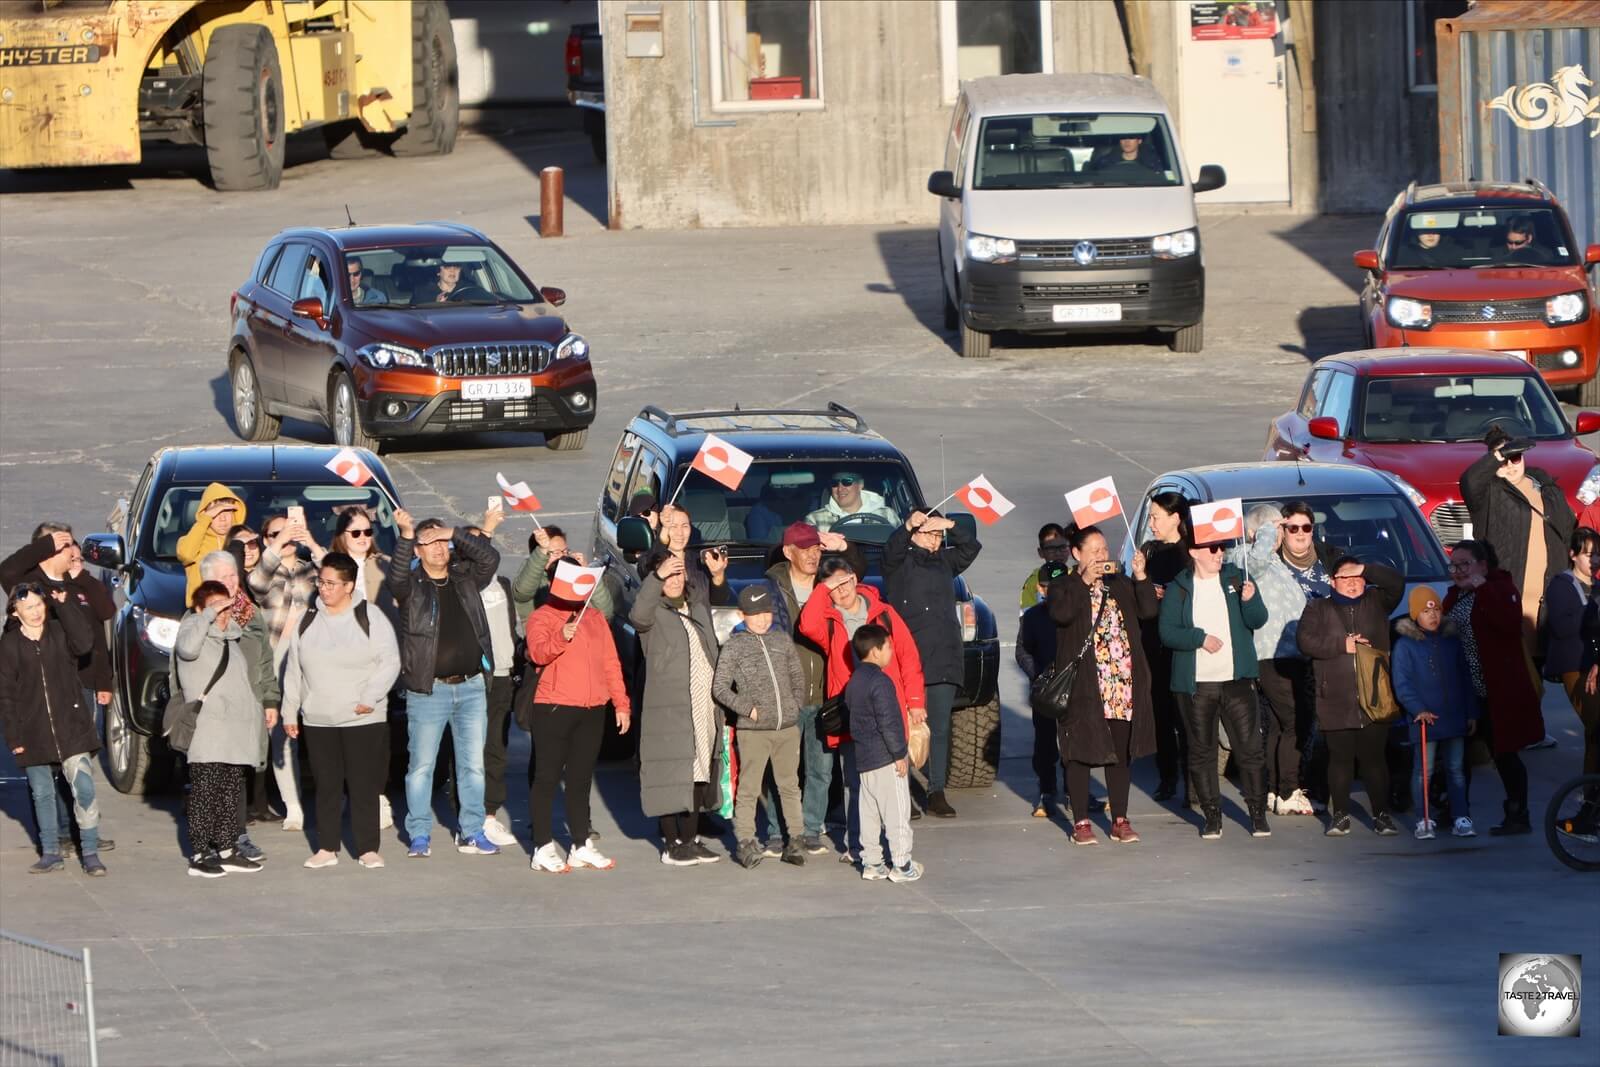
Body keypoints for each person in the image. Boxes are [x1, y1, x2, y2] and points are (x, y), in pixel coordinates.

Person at [387, 509, 503, 859]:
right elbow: (395, 575)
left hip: (470, 687)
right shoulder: (410, 587)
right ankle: (419, 833)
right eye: (430, 542)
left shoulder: (465, 577)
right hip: (429, 689)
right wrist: (408, 535)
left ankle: (471, 831)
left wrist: (453, 530)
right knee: (421, 766)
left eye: (443, 541)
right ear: (418, 551)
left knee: (472, 765)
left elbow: (490, 557)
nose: (439, 547)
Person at [798, 553, 926, 862]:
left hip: (888, 711)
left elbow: (908, 657)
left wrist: (915, 702)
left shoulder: (884, 614)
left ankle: (897, 849)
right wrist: (822, 588)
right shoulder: (828, 620)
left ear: (856, 578)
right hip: (852, 714)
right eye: (834, 587)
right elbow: (806, 624)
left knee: (895, 781)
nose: (841, 591)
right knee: (855, 783)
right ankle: (858, 847)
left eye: (845, 581)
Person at [1, 524, 118, 852]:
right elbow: (6, 569)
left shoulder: (73, 583)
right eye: (65, 544)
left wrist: (103, 680)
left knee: (77, 768)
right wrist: (45, 546)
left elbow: (99, 623)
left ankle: (82, 833)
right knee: (45, 773)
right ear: (47, 550)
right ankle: (57, 835)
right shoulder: (29, 586)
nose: (72, 550)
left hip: (80, 684)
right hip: (40, 691)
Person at [280, 553, 401, 869]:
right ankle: (327, 848)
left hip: (363, 717)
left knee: (363, 785)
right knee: (327, 786)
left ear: (349, 585)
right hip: (319, 718)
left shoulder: (370, 617)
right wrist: (290, 712)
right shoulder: (307, 620)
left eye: (331, 583)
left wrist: (370, 697)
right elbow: (294, 670)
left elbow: (390, 662)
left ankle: (367, 848)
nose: (324, 588)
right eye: (321, 582)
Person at [1048, 526, 1157, 845]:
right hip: (1083, 684)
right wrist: (1084, 582)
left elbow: (1149, 611)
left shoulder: (1119, 584)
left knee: (1120, 753)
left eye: (1104, 549)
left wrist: (1140, 577)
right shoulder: (1062, 585)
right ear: (1076, 554)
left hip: (1120, 682)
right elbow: (1062, 615)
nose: (1100, 556)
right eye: (1093, 550)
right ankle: (1081, 821)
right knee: (1079, 752)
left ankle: (1120, 819)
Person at [523, 554, 632, 873]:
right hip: (554, 707)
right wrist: (561, 636)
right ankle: (542, 846)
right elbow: (538, 653)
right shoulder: (541, 617)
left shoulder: (595, 617)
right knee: (546, 778)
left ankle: (581, 844)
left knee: (581, 779)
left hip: (592, 709)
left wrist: (621, 703)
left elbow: (611, 663)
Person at [1161, 533, 1270, 839]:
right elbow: (1167, 632)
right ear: (1194, 552)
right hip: (1196, 685)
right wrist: (1199, 639)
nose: (1219, 553)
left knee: (1249, 749)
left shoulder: (1236, 580)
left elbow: (1258, 620)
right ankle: (1212, 815)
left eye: (1221, 547)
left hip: (1236, 681)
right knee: (1201, 751)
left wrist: (1251, 600)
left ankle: (1257, 813)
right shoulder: (1179, 588)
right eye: (1212, 548)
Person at [1296, 555, 1406, 837]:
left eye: (1359, 577)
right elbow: (1305, 641)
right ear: (1333, 582)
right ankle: (1340, 815)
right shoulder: (1317, 607)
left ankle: (1382, 815)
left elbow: (1396, 583)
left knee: (1374, 760)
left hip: (1375, 695)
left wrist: (1367, 567)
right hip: (1335, 696)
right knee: (1340, 759)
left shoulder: (1376, 602)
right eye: (1346, 577)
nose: (1354, 583)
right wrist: (1341, 645)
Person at [0, 583, 106, 876]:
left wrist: (64, 606)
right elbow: (5, 694)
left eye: (39, 605)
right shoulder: (9, 645)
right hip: (32, 731)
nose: (36, 612)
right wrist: (14, 735)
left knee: (84, 787)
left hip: (72, 727)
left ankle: (91, 852)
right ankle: (50, 852)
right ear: (15, 611)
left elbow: (84, 643)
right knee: (42, 794)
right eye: (28, 608)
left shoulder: (59, 632)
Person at [630, 546, 726, 866]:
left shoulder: (696, 607)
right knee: (670, 773)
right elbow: (637, 615)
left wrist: (713, 575)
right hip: (670, 708)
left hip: (704, 705)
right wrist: (658, 576)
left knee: (699, 771)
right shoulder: (653, 612)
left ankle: (690, 838)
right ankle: (671, 844)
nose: (674, 578)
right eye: (668, 573)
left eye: (678, 572)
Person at [883, 508, 982, 819]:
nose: (936, 540)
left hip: (942, 656)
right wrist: (908, 526)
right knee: (904, 727)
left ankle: (936, 790)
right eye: (930, 533)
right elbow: (891, 551)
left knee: (938, 727)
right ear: (915, 534)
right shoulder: (900, 561)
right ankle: (902, 790)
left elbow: (971, 548)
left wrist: (950, 524)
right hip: (908, 656)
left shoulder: (945, 561)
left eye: (939, 536)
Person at [1443, 540, 1544, 835]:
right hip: (1466, 691)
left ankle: (1517, 813)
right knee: (1458, 754)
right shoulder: (1454, 596)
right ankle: (1457, 811)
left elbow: (1509, 625)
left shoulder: (1501, 589)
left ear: (1483, 566)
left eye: (1465, 564)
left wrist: (1483, 589)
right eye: (1454, 565)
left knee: (1504, 753)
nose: (1459, 571)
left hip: (1498, 690)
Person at [175, 581, 274, 877]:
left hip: (235, 730)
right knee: (206, 791)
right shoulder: (192, 631)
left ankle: (228, 848)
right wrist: (206, 615)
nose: (222, 613)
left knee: (231, 791)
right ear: (199, 608)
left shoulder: (233, 638)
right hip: (208, 729)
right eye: (215, 607)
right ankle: (200, 853)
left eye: (225, 607)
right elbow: (187, 649)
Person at [1225, 505, 1313, 816]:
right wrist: (1263, 530)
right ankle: (1289, 789)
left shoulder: (1274, 561)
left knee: (1280, 724)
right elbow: (1256, 563)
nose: (1279, 535)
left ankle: (1277, 789)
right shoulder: (1243, 556)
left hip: (1292, 654)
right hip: (1271, 655)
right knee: (1294, 721)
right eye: (1276, 529)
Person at [714, 585, 809, 868]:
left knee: (790, 786)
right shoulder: (734, 645)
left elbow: (796, 675)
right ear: (743, 615)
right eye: (755, 614)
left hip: (787, 728)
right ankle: (746, 842)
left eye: (766, 612)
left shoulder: (782, 640)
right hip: (753, 731)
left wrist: (795, 706)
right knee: (750, 788)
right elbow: (720, 688)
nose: (762, 619)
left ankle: (796, 839)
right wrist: (749, 710)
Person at [198, 550, 280, 862]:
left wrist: (270, 699)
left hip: (249, 704)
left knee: (239, 770)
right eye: (223, 577)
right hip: (214, 707)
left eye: (234, 575)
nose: (231, 582)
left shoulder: (250, 612)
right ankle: (209, 840)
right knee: (212, 773)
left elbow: (265, 659)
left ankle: (237, 834)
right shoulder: (198, 615)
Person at [1460, 428, 1575, 650]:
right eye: (1503, 460)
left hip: (1549, 599)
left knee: (1546, 675)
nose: (1510, 465)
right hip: (1509, 599)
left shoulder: (1547, 489)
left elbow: (1568, 531)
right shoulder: (1488, 492)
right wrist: (1499, 455)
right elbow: (1470, 482)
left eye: (1515, 457)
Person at [248, 510, 323, 834]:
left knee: (326, 730)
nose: (287, 534)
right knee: (282, 734)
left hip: (316, 658)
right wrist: (280, 540)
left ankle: (337, 795)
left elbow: (340, 574)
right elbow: (256, 577)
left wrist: (310, 541)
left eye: (291, 528)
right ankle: (293, 806)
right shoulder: (266, 576)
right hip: (278, 658)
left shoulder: (311, 571)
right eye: (276, 533)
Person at [760, 521, 832, 853]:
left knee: (820, 769)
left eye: (817, 548)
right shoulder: (771, 588)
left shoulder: (829, 585)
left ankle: (812, 828)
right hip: (786, 696)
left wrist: (841, 547)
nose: (814, 555)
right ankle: (777, 832)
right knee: (782, 771)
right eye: (806, 549)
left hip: (824, 694)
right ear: (789, 552)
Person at [1393, 586, 1479, 840]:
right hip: (1425, 721)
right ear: (1414, 615)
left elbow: (1465, 678)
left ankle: (1461, 817)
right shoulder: (1405, 646)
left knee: (1455, 769)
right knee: (1424, 771)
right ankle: (1423, 818)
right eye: (1425, 611)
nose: (1432, 616)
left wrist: (1471, 712)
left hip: (1454, 717)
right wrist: (1418, 709)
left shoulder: (1452, 642)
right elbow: (1402, 682)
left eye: (1436, 610)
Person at [457, 512, 520, 848]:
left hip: (503, 675)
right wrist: (488, 529)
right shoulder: (465, 584)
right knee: (476, 748)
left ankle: (487, 815)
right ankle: (476, 818)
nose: (482, 547)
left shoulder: (503, 583)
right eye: (474, 543)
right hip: (476, 676)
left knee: (497, 747)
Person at [845, 624, 923, 883]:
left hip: (864, 759)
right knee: (897, 813)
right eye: (888, 646)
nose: (891, 651)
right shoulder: (881, 681)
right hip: (886, 758)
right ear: (876, 651)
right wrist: (899, 754)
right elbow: (889, 722)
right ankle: (902, 865)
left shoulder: (855, 681)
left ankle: (872, 862)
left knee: (869, 813)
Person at [1140, 491, 1189, 802]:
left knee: (1188, 717)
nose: (1152, 524)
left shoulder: (1190, 553)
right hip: (1154, 645)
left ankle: (1193, 782)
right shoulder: (1148, 552)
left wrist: (1169, 594)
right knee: (1161, 715)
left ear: (1175, 518)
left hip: (1183, 646)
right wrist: (1141, 579)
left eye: (1156, 517)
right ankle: (1167, 777)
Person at [1017, 560, 1069, 817]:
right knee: (1045, 743)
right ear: (1041, 587)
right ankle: (1047, 790)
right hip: (1045, 690)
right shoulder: (1033, 616)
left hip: (1074, 686)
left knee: (1075, 742)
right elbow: (1022, 651)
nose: (1056, 591)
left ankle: (1075, 790)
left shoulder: (1079, 611)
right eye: (1050, 586)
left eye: (1062, 586)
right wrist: (1038, 676)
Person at [511, 524, 615, 623]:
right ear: (539, 554)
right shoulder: (531, 575)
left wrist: (587, 574)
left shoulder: (573, 575)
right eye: (556, 553)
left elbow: (605, 613)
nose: (562, 557)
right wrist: (542, 550)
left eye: (565, 551)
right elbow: (522, 593)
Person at [1543, 527, 1598, 705]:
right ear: (1573, 555)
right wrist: (1591, 610)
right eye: (1589, 555)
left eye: (1598, 555)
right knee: (1594, 718)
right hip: (1575, 665)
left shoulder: (1598, 586)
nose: (1595, 561)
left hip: (1596, 662)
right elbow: (1562, 628)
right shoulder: (1561, 585)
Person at [177, 483, 245, 601]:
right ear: (206, 514)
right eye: (216, 513)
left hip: (236, 611)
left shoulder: (241, 540)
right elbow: (186, 555)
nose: (222, 518)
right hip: (201, 610)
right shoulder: (193, 541)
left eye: (227, 512)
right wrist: (204, 520)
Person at [328, 507, 390, 607]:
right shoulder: (327, 567)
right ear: (342, 535)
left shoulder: (385, 564)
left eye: (367, 532)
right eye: (356, 533)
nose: (363, 537)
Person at [805, 471, 898, 532]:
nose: (840, 489)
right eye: (834, 483)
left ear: (860, 484)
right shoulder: (815, 519)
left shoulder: (887, 515)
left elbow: (900, 548)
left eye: (847, 482)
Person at [1018, 524, 1070, 611]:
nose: (1058, 553)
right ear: (1041, 552)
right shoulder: (1033, 582)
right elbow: (1026, 617)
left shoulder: (1075, 575)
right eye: (1051, 549)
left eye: (1062, 547)